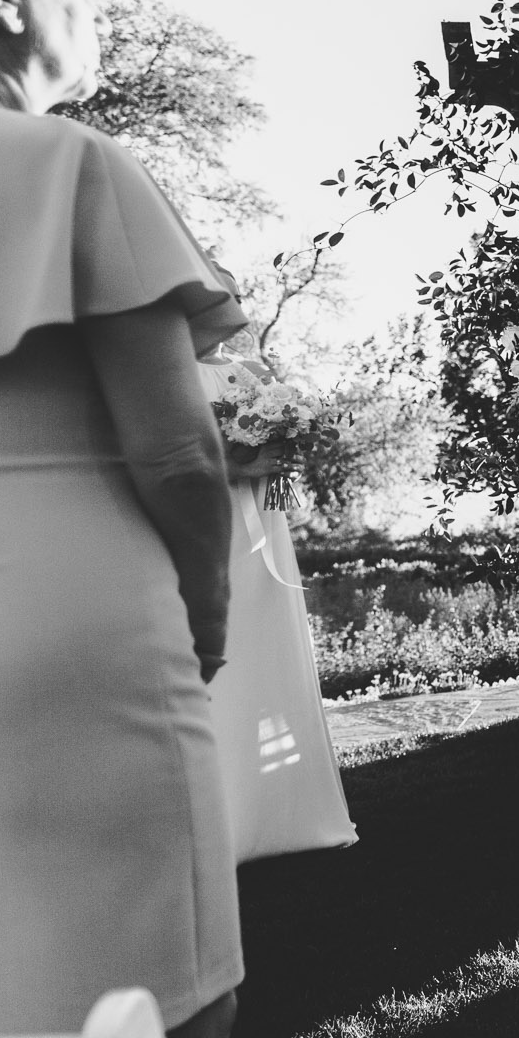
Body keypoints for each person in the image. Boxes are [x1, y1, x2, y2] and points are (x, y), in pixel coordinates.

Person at [0, 0, 243, 1038]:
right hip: (73, 620)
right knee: (157, 1003)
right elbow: (179, 455)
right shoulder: (70, 165)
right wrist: (209, 607)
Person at [196, 335, 356, 862]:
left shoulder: (251, 369)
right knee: (220, 660)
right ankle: (226, 820)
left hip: (264, 523)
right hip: (208, 530)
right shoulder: (165, 371)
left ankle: (292, 812)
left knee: (268, 651)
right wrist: (239, 466)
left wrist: (281, 448)